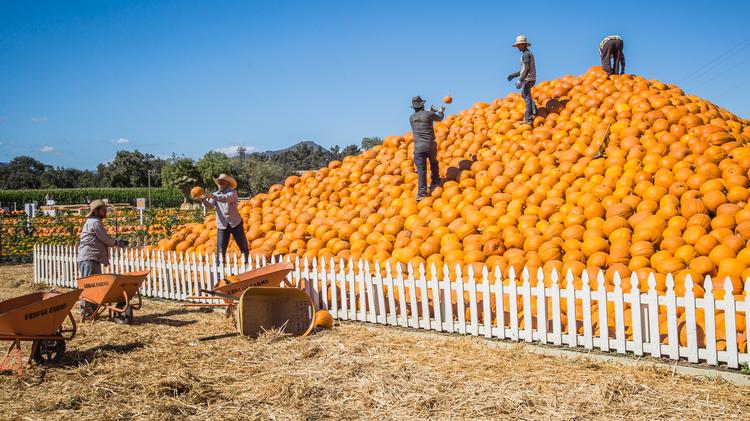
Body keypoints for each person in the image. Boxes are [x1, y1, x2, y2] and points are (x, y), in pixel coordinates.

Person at [77, 199, 128, 319]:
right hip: (88, 258)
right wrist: (117, 242)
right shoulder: (94, 222)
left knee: (95, 286)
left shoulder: (95, 222)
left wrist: (115, 242)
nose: (105, 211)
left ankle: (92, 312)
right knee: (88, 286)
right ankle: (85, 313)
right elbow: (104, 238)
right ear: (96, 211)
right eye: (103, 209)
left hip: (93, 258)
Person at [199, 174, 249, 264]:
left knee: (243, 246)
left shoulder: (232, 193)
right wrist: (203, 200)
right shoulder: (215, 194)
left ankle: (247, 264)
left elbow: (225, 199)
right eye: (219, 181)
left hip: (235, 223)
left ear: (227, 183)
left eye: (223, 181)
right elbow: (210, 206)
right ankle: (219, 270)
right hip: (222, 225)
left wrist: (212, 196)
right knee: (221, 249)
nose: (220, 183)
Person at [409, 96, 445, 200]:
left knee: (421, 170)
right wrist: (441, 111)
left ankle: (421, 193)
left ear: (414, 107)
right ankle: (435, 182)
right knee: (433, 162)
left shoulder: (411, 118)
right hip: (429, 145)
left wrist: (430, 112)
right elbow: (439, 118)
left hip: (418, 147)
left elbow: (422, 119)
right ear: (422, 105)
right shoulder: (428, 114)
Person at [507, 35, 537, 125]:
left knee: (527, 97)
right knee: (524, 95)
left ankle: (528, 118)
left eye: (520, 45)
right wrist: (514, 75)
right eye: (518, 45)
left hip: (528, 78)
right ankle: (534, 110)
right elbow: (523, 69)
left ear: (525, 45)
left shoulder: (526, 54)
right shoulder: (525, 54)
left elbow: (527, 69)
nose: (519, 47)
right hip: (528, 78)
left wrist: (521, 80)